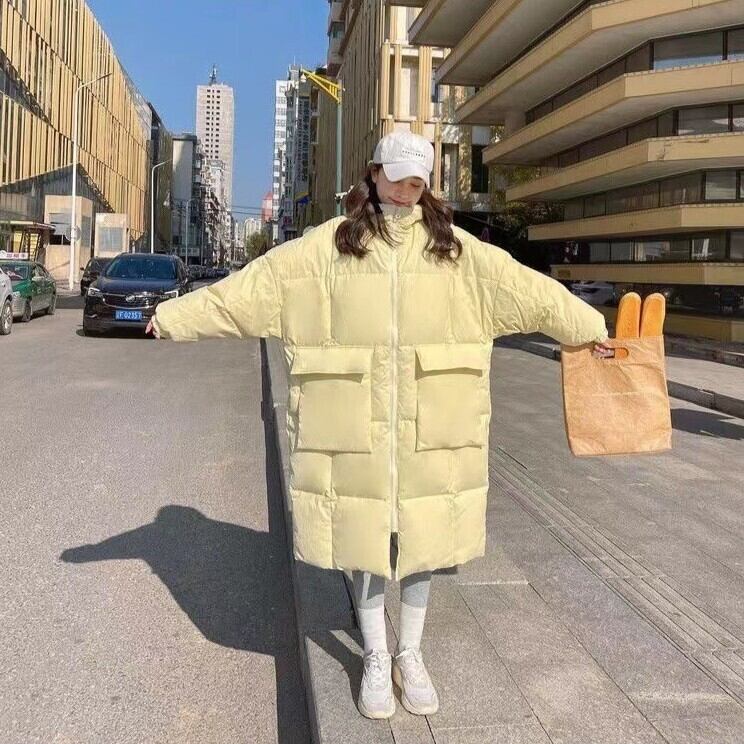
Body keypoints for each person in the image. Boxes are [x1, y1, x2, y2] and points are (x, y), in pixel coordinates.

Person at [147, 130, 613, 720]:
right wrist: (173, 316)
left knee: (424, 545)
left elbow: (532, 292)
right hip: (353, 427)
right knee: (364, 544)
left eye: (416, 182)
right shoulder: (325, 249)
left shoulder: (457, 253)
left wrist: (590, 329)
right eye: (396, 178)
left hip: (432, 428)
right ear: (373, 174)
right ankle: (374, 653)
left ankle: (410, 654)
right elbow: (248, 292)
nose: (405, 191)